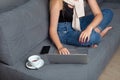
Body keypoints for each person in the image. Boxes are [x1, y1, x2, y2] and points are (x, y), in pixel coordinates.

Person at [49, 0, 113, 55]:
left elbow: (98, 14)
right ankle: (98, 36)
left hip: (79, 22)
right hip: (65, 31)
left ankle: (96, 31)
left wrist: (89, 28)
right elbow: (52, 30)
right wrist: (60, 47)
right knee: (93, 37)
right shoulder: (57, 2)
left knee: (108, 12)